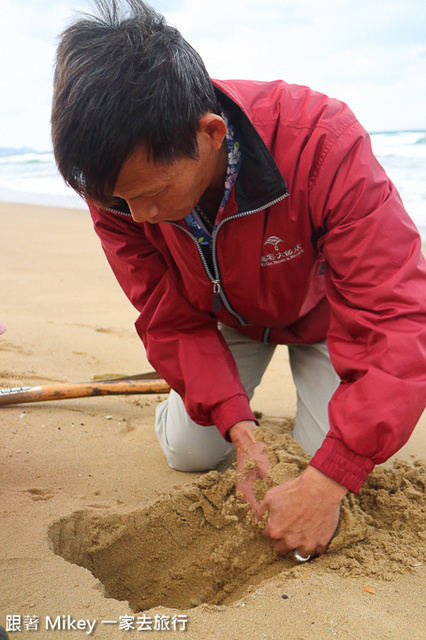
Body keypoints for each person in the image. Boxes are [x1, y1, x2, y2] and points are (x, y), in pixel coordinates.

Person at [51, 0, 426, 563]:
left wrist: (331, 477)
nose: (141, 217)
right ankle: (194, 407)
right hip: (225, 317)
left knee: (321, 468)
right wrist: (235, 422)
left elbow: (394, 315)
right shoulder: (118, 191)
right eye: (120, 203)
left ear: (210, 134)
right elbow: (165, 313)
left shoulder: (325, 143)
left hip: (325, 320)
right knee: (189, 450)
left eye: (151, 195)